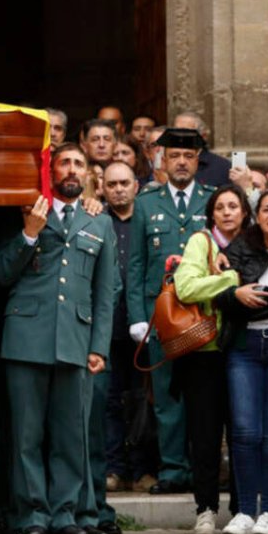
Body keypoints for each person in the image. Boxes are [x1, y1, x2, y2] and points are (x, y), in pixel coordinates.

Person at [0, 143, 116, 534]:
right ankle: (30, 514)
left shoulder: (99, 222)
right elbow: (0, 274)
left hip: (76, 340)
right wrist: (29, 233)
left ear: (88, 174)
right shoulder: (25, 211)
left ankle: (65, 512)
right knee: (26, 435)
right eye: (65, 162)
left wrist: (99, 345)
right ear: (50, 169)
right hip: (25, 337)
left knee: (70, 434)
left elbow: (105, 291)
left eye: (79, 164)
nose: (72, 170)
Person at [127, 127, 214, 495]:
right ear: (162, 160)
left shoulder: (212, 199)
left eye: (189, 156)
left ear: (197, 161)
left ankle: (202, 469)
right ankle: (173, 469)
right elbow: (134, 265)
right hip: (159, 315)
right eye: (175, 155)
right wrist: (137, 317)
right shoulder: (146, 202)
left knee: (203, 395)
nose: (181, 162)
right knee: (165, 397)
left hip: (203, 314)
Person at [213, 190, 268, 534]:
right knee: (244, 432)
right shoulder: (239, 248)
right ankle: (245, 510)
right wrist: (236, 294)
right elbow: (219, 294)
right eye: (266, 209)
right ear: (256, 214)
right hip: (244, 346)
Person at [172, 185, 248, 534]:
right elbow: (185, 288)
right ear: (212, 213)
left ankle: (240, 508)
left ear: (245, 212)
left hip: (244, 349)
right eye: (221, 207)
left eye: (234, 206)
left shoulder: (253, 242)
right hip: (204, 352)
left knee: (242, 432)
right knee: (204, 434)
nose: (228, 212)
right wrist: (230, 280)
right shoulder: (201, 241)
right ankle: (205, 508)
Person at [100, 161, 155, 499]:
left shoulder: (148, 220)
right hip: (106, 326)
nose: (119, 189)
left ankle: (144, 468)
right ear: (102, 187)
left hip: (143, 326)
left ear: (137, 185)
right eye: (112, 184)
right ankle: (113, 467)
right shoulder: (96, 220)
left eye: (124, 183)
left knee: (144, 399)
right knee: (108, 400)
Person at [173, 112, 231, 187]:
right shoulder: (165, 163)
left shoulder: (222, 167)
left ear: (203, 136)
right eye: (176, 131)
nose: (179, 137)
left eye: (185, 132)